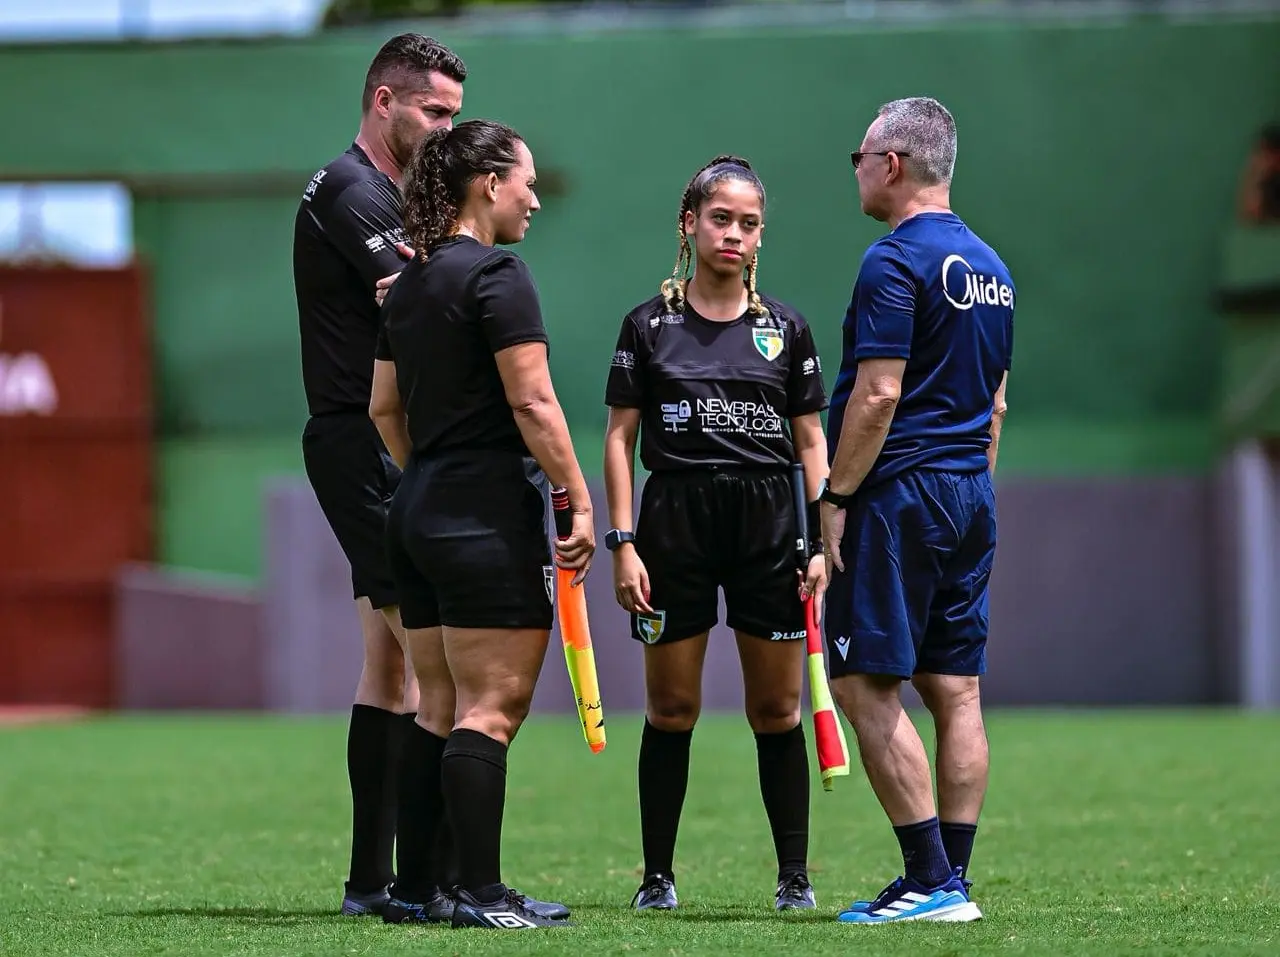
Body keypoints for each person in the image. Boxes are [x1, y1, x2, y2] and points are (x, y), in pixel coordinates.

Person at [369, 118, 594, 930]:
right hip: (481, 515)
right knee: (490, 707)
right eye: (526, 181)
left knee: (437, 704)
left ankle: (422, 888)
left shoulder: (411, 281)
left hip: (418, 508)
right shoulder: (499, 273)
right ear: (489, 184)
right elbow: (533, 401)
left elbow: (382, 408)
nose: (534, 197)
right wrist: (576, 495)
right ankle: (482, 894)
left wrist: (433, 463)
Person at [602, 155, 830, 914]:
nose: (735, 234)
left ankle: (793, 877)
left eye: (750, 222)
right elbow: (618, 438)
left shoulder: (785, 328)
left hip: (770, 524)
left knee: (778, 711)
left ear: (762, 235)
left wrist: (823, 541)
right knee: (671, 709)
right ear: (690, 223)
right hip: (674, 524)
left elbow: (810, 443)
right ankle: (656, 877)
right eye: (721, 218)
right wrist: (623, 540)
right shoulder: (648, 324)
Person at [818, 96, 1012, 924]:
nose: (856, 170)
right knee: (956, 691)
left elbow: (880, 391)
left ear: (891, 163)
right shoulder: (993, 268)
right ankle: (952, 879)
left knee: (864, 683)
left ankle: (930, 880)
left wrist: (836, 495)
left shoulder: (892, 260)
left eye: (859, 157)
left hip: (902, 495)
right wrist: (974, 485)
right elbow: (996, 405)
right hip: (971, 489)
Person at [292, 32, 467, 917]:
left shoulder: (389, 191)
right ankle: (443, 882)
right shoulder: (353, 190)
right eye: (435, 111)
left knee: (389, 670)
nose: (446, 129)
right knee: (437, 663)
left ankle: (375, 882)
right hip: (364, 443)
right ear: (384, 101)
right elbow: (422, 301)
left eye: (455, 115)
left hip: (376, 442)